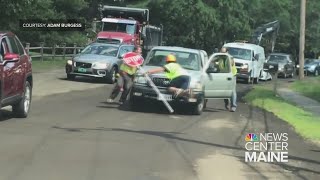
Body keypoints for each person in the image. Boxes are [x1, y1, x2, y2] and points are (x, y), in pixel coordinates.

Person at [219, 47, 238, 112]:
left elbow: (231, 63)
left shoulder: (230, 58)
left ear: (227, 52)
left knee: (232, 91)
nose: (222, 53)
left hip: (231, 76)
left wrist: (228, 58)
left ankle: (233, 106)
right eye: (221, 52)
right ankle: (227, 104)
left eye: (223, 52)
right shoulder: (220, 58)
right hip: (223, 76)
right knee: (224, 91)